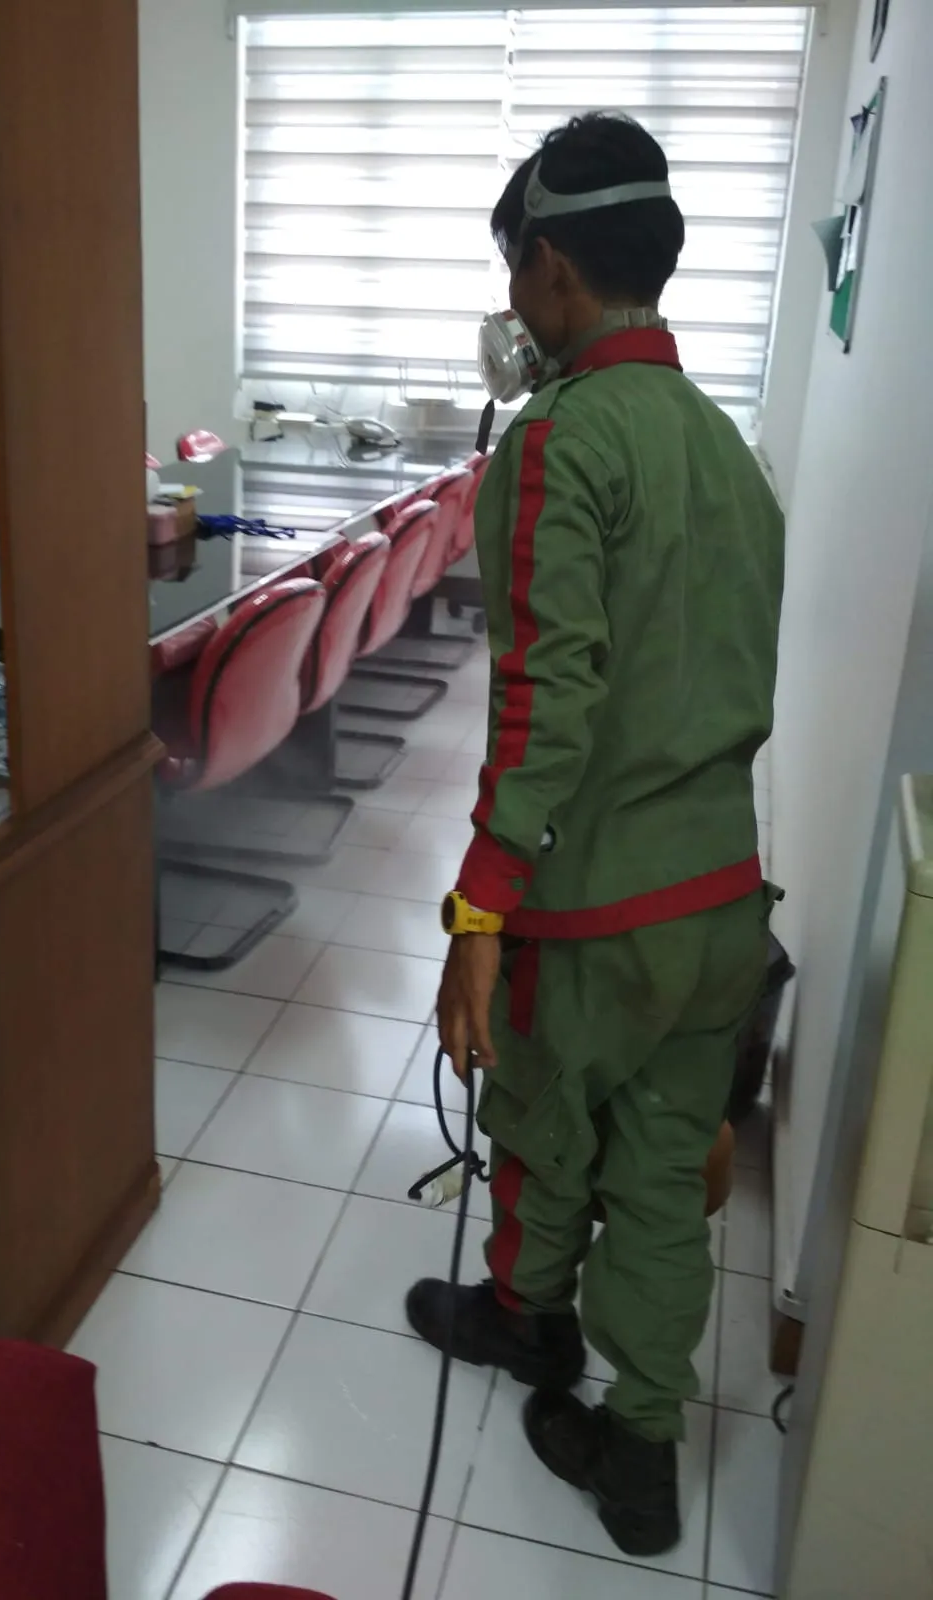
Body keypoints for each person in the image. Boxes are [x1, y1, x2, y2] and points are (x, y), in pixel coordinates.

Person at [406, 112, 784, 1558]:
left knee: (545, 1128)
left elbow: (542, 703)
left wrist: (479, 912)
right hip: (724, 903)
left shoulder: (562, 441)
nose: (512, 301)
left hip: (599, 908)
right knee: (668, 1170)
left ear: (552, 267)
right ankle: (640, 1456)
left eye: (516, 270)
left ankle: (529, 1324)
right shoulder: (726, 447)